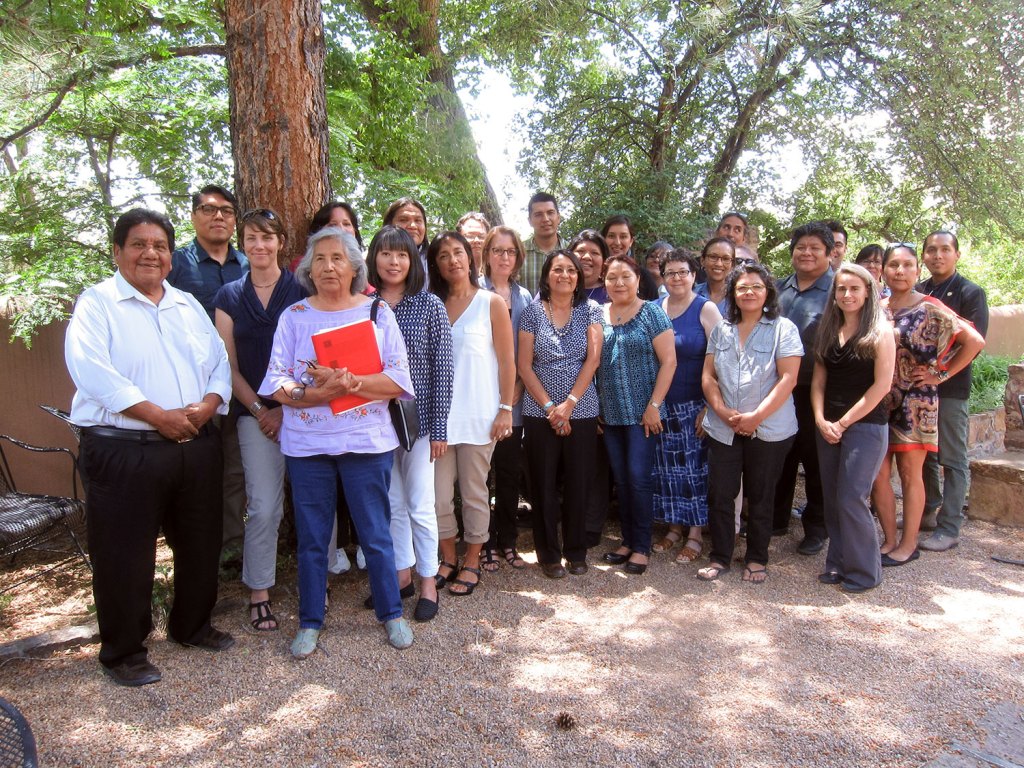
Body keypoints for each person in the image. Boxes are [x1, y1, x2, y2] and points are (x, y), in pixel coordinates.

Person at [66, 208, 234, 687]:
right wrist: (157, 416)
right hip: (125, 449)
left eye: (159, 245)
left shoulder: (186, 305)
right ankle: (123, 652)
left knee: (201, 542)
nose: (150, 254)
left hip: (195, 442)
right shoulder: (97, 304)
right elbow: (92, 372)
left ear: (170, 255)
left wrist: (207, 404)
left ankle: (192, 625)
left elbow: (218, 362)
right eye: (139, 244)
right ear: (117, 251)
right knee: (124, 553)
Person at [259, 227, 416, 658]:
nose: (329, 266)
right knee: (312, 538)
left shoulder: (377, 312)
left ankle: (392, 614)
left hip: (366, 442)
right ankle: (310, 621)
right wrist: (311, 395)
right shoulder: (294, 316)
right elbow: (276, 380)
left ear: (353, 268)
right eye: (321, 259)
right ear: (309, 268)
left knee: (375, 534)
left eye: (338, 259)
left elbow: (399, 379)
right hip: (307, 444)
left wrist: (352, 382)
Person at [214, 208, 307, 632]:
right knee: (265, 506)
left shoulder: (301, 289)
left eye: (268, 237)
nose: (259, 245)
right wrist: (261, 411)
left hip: (305, 414)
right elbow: (227, 368)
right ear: (242, 242)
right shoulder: (229, 297)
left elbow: (315, 356)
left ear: (280, 243)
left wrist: (285, 409)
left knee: (312, 502)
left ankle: (316, 581)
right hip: (254, 417)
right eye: (251, 237)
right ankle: (259, 590)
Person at [871, 243, 985, 566]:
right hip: (880, 399)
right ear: (884, 270)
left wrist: (941, 373)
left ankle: (908, 545)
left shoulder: (931, 306)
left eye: (907, 265)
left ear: (916, 270)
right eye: (894, 265)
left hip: (916, 401)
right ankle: (888, 540)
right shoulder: (877, 306)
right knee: (878, 474)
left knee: (910, 474)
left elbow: (974, 340)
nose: (900, 271)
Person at [366, 225, 454, 622]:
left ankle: (428, 582)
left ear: (412, 260)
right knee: (393, 505)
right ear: (374, 259)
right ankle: (400, 578)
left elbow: (443, 369)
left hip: (417, 423)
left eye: (402, 254)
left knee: (420, 503)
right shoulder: (363, 305)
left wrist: (439, 428)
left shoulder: (429, 305)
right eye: (386, 254)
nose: (394, 261)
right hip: (373, 422)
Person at [698, 263, 802, 583]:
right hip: (723, 427)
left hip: (769, 429)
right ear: (733, 293)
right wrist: (721, 409)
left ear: (768, 291)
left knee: (760, 495)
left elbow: (788, 378)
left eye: (756, 286)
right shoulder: (722, 329)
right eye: (742, 287)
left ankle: (757, 558)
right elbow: (708, 376)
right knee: (720, 494)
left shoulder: (783, 329)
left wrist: (756, 416)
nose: (749, 292)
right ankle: (720, 556)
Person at [427, 231, 516, 597]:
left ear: (470, 257)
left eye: (459, 252)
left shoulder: (490, 302)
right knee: (438, 497)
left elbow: (508, 361)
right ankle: (447, 559)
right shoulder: (430, 304)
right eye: (444, 255)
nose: (453, 260)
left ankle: (473, 560)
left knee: (475, 492)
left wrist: (506, 408)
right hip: (439, 420)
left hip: (479, 415)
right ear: (436, 264)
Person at [169, 184, 248, 557]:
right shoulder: (176, 263)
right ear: (193, 216)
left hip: (240, 384)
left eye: (226, 210)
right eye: (208, 209)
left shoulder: (248, 263)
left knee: (234, 469)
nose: (218, 216)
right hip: (192, 388)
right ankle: (194, 549)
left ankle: (231, 547)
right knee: (194, 470)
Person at [811, 264, 896, 593]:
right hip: (828, 425)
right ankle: (837, 563)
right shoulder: (828, 329)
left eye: (854, 289)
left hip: (866, 426)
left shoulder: (881, 331)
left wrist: (844, 422)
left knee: (851, 497)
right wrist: (820, 419)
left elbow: (881, 387)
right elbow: (818, 382)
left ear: (867, 292)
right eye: (841, 289)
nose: (847, 295)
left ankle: (865, 572)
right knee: (833, 498)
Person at [518, 250, 603, 577]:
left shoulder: (592, 310)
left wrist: (569, 404)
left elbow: (592, 360)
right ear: (547, 275)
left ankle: (576, 550)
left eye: (571, 269)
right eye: (558, 269)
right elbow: (524, 365)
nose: (565, 274)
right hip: (539, 412)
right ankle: (549, 554)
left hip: (581, 409)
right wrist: (551, 408)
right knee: (542, 484)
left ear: (578, 277)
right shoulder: (531, 313)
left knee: (579, 483)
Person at [598, 256, 676, 575]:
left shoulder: (652, 313)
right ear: (604, 283)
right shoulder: (598, 315)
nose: (619, 282)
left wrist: (654, 405)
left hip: (644, 415)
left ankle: (641, 546)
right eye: (612, 277)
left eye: (625, 276)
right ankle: (627, 541)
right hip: (611, 416)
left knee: (639, 479)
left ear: (638, 279)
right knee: (622, 480)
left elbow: (669, 362)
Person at [918, 231, 989, 551]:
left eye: (945, 249)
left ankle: (949, 526)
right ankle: (927, 511)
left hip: (950, 390)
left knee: (952, 458)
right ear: (923, 256)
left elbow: (974, 344)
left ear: (956, 254)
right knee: (924, 455)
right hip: (917, 389)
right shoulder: (919, 291)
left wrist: (941, 374)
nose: (937, 255)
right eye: (931, 250)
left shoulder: (970, 292)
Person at [651, 250, 722, 562]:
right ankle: (673, 528)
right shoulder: (654, 309)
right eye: (671, 273)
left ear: (695, 275)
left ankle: (694, 534)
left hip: (695, 405)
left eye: (683, 272)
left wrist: (711, 404)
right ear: (663, 277)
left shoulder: (705, 309)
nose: (677, 278)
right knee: (667, 470)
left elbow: (723, 358)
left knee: (694, 472)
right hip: (661, 405)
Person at [773, 221, 835, 556]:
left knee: (816, 461)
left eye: (815, 247)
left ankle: (817, 527)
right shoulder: (780, 288)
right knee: (780, 454)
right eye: (801, 247)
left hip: (818, 389)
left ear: (829, 253)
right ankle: (776, 519)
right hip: (781, 387)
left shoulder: (839, 289)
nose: (806, 253)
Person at [479, 225, 532, 571]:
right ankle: (482, 542)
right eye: (497, 250)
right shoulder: (474, 292)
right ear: (486, 255)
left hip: (515, 402)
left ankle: (509, 541)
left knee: (509, 474)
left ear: (518, 258)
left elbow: (529, 354)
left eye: (510, 251)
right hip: (480, 399)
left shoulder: (525, 298)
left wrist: (512, 399)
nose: (504, 257)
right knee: (479, 478)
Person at [521, 192, 566, 294]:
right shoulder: (518, 253)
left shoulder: (572, 251)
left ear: (558, 217)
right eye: (538, 214)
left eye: (550, 213)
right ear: (530, 221)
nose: (545, 219)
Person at [383, 197, 429, 274]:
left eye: (418, 220)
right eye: (403, 220)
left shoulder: (435, 262)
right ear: (389, 225)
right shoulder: (370, 261)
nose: (413, 226)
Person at [694, 236, 735, 313]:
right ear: (702, 261)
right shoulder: (692, 294)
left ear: (732, 265)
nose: (719, 264)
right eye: (713, 257)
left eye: (726, 259)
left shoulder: (738, 297)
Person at [570, 229, 610, 304]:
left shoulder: (612, 293)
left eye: (594, 253)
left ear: (604, 261)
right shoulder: (558, 290)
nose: (587, 257)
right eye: (581, 251)